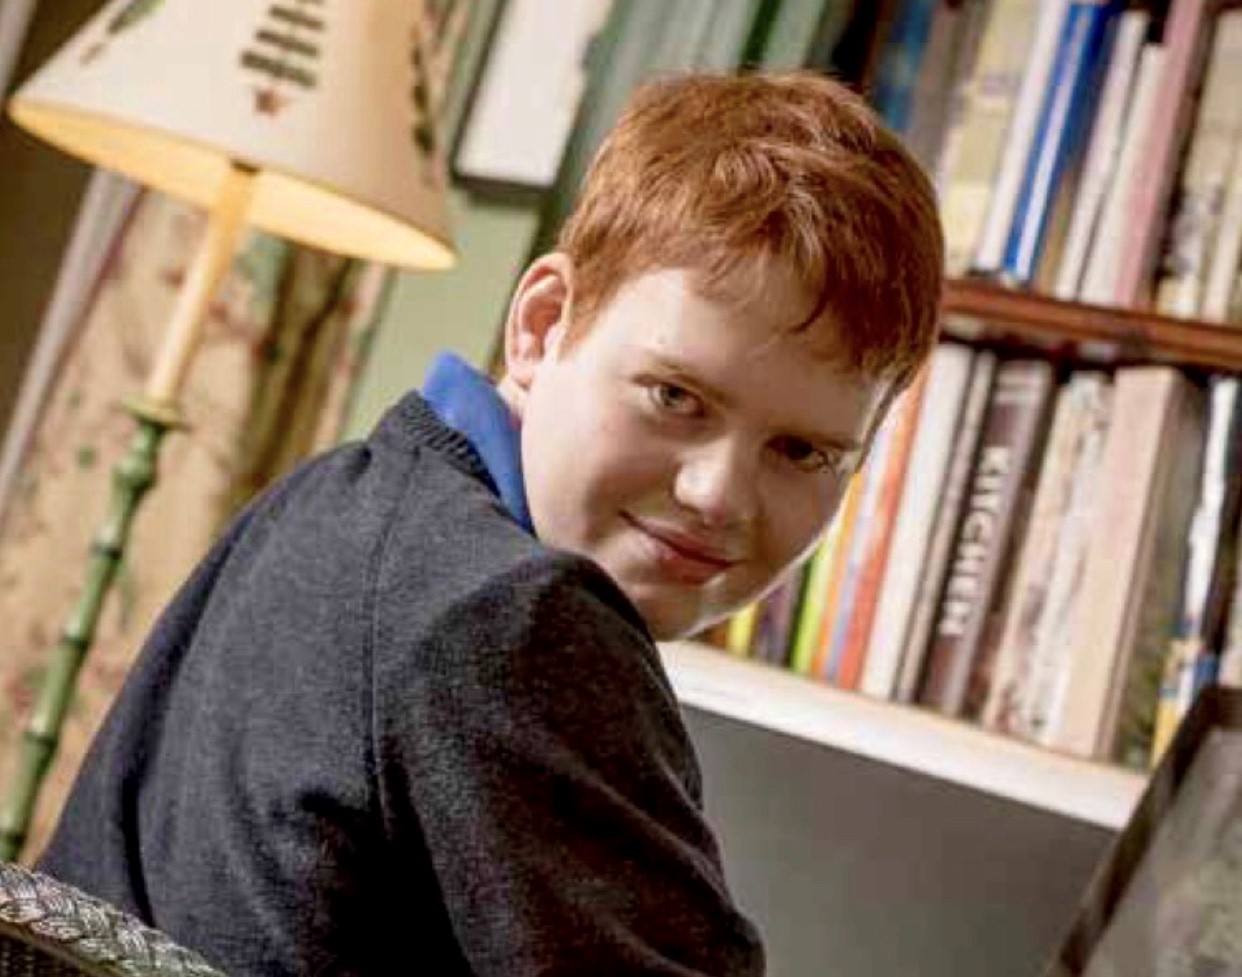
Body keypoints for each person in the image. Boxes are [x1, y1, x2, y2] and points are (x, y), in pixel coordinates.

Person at [36, 70, 944, 975]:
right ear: (543, 324)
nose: (719, 493)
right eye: (676, 396)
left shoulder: (331, 498)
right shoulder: (519, 617)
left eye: (804, 452)